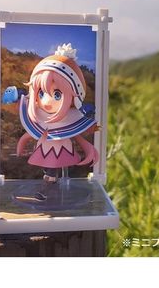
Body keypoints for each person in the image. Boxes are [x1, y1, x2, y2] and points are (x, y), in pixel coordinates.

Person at [16, 43, 99, 186]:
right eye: (41, 93)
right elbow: (31, 133)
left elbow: (75, 135)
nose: (47, 101)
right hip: (45, 148)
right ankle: (49, 176)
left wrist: (88, 143)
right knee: (47, 164)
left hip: (61, 148)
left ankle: (52, 177)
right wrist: (21, 143)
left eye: (57, 95)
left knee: (54, 167)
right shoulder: (39, 117)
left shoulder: (70, 119)